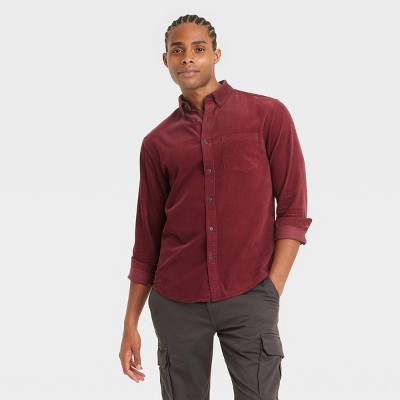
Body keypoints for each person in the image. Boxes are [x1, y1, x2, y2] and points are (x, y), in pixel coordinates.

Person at [119, 14, 312, 400]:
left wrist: (271, 289)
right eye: (178, 50)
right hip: (176, 300)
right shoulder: (157, 143)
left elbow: (292, 210)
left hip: (251, 292)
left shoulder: (267, 115)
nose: (188, 58)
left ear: (216, 55)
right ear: (166, 60)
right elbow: (147, 239)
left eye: (198, 49)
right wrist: (130, 323)